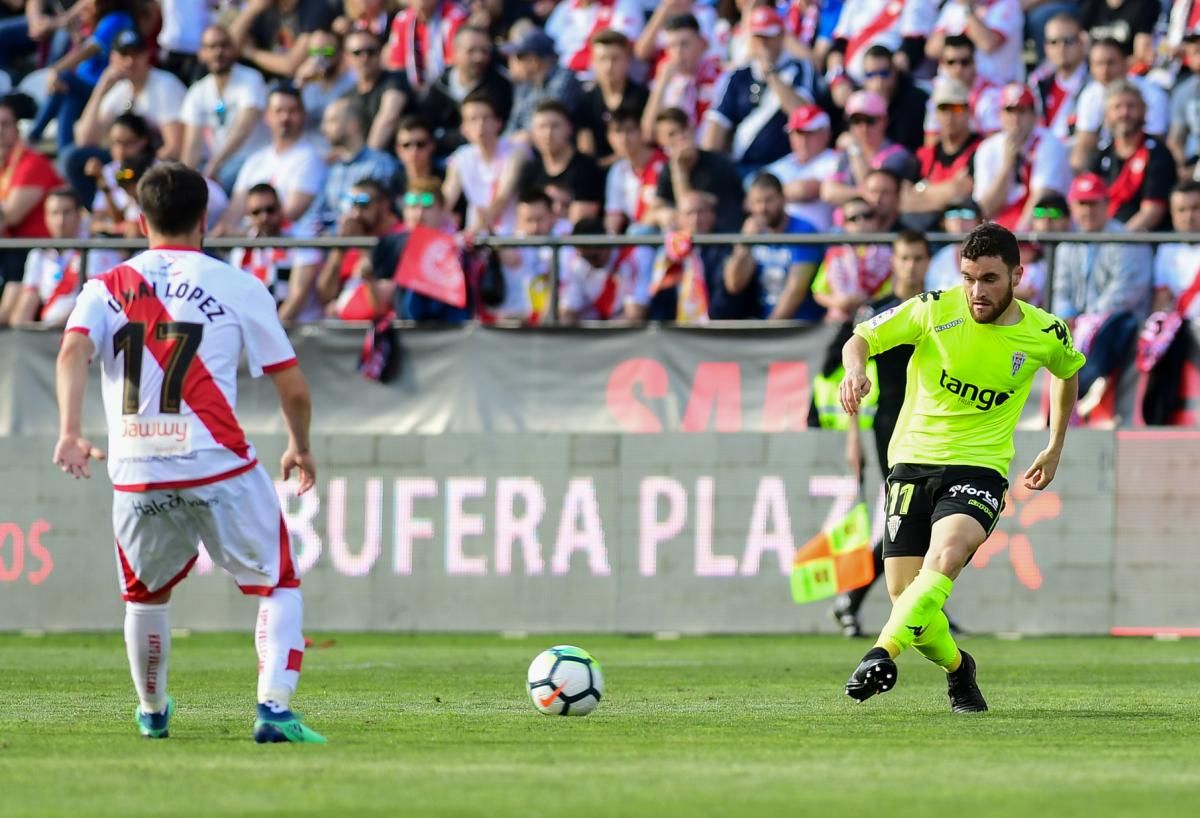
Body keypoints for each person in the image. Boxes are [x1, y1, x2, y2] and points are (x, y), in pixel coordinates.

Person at [54, 162, 325, 743]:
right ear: (206, 218)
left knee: (145, 597)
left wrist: (70, 430)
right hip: (216, 462)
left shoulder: (106, 287)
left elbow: (72, 352)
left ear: (141, 217)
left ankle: (153, 713)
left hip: (136, 470)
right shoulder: (238, 284)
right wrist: (300, 447)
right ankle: (273, 710)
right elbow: (293, 386)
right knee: (276, 582)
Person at [839, 222, 1086, 712]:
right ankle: (959, 670)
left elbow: (1068, 370)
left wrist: (1055, 444)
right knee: (906, 598)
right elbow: (860, 337)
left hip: (979, 469)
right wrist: (855, 370)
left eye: (990, 279)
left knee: (947, 553)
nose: (976, 291)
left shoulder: (1044, 330)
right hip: (912, 463)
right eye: (969, 277)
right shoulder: (934, 308)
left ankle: (880, 653)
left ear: (1017, 274)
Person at [829, 230, 932, 636]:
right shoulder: (880, 311)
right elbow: (851, 371)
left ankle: (917, 605)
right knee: (904, 521)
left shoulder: (938, 308)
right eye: (904, 258)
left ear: (926, 261)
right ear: (895, 261)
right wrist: (852, 437)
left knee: (926, 521)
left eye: (918, 258)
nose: (911, 266)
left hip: (931, 420)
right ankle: (854, 599)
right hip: (891, 421)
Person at [702, 6, 818, 173]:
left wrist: (770, 74)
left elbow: (803, 113)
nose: (762, 43)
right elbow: (718, 120)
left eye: (768, 37)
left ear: (781, 36)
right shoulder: (740, 74)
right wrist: (707, 167)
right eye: (758, 37)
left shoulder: (799, 67)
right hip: (741, 164)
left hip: (784, 165)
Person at [0, 188, 122, 327]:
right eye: (54, 213)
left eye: (66, 212)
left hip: (84, 331)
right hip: (47, 335)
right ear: (45, 217)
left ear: (79, 214)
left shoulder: (98, 249)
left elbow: (97, 303)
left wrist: (48, 330)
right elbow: (26, 303)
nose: (60, 220)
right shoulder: (39, 254)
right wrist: (23, 331)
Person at [222, 85, 326, 234]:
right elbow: (233, 213)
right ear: (267, 116)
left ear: (303, 115)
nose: (285, 117)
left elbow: (289, 215)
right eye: (279, 111)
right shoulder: (255, 161)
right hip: (248, 247)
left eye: (292, 111)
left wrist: (238, 233)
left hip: (289, 250)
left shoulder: (310, 158)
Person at [180, 25, 271, 194]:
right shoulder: (198, 92)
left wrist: (214, 165)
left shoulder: (251, 79)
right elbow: (192, 145)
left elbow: (243, 129)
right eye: (211, 47)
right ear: (202, 54)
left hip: (257, 159)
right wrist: (185, 180)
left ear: (234, 49)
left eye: (224, 45)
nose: (218, 52)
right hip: (221, 167)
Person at [723, 171, 824, 320]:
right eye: (757, 202)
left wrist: (769, 332)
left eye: (769, 200)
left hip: (802, 327)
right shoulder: (754, 233)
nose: (762, 208)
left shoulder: (804, 231)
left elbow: (796, 291)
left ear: (782, 199)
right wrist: (744, 243)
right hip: (767, 325)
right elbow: (734, 284)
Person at [1085, 81, 1177, 232]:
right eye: (1117, 107)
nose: (1124, 113)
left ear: (1143, 110)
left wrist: (1119, 240)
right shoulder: (1101, 154)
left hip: (1143, 241)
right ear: (1107, 114)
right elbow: (1090, 200)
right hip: (1106, 238)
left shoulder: (1157, 153)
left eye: (1131, 106)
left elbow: (1153, 211)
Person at [231, 183, 324, 324]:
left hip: (300, 328)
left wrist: (272, 333)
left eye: (270, 210)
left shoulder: (302, 238)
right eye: (256, 212)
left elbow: (297, 297)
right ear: (248, 215)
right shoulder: (242, 250)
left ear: (280, 208)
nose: (264, 217)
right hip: (263, 328)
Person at [308, 97, 400, 234]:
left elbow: (381, 216)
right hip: (334, 246)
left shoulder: (380, 165)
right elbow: (318, 216)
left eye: (332, 121)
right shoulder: (332, 169)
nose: (323, 128)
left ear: (353, 125)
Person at [418, 25, 511, 156]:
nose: (479, 57)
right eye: (471, 51)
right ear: (455, 53)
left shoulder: (500, 87)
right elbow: (425, 127)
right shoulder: (439, 85)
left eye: (484, 51)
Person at [518, 100, 605, 224]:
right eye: (542, 127)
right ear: (533, 133)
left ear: (569, 128)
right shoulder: (530, 170)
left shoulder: (586, 167)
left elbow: (582, 222)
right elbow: (524, 220)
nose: (548, 134)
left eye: (555, 126)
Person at [812, 198, 893, 324]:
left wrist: (867, 301)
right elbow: (819, 292)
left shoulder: (889, 255)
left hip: (877, 322)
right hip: (838, 323)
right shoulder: (835, 254)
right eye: (853, 218)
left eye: (867, 216)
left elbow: (892, 291)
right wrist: (839, 302)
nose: (861, 222)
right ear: (844, 224)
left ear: (876, 220)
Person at [764, 103, 839, 231]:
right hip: (779, 241)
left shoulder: (835, 159)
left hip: (819, 239)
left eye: (809, 133)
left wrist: (774, 195)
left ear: (826, 133)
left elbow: (804, 190)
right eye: (797, 133)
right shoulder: (781, 164)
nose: (802, 140)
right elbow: (755, 194)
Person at [344, 28, 411, 154]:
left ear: (380, 53)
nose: (365, 57)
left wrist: (368, 159)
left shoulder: (396, 80)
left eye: (371, 51)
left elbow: (388, 118)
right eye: (357, 53)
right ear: (347, 58)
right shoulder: (348, 96)